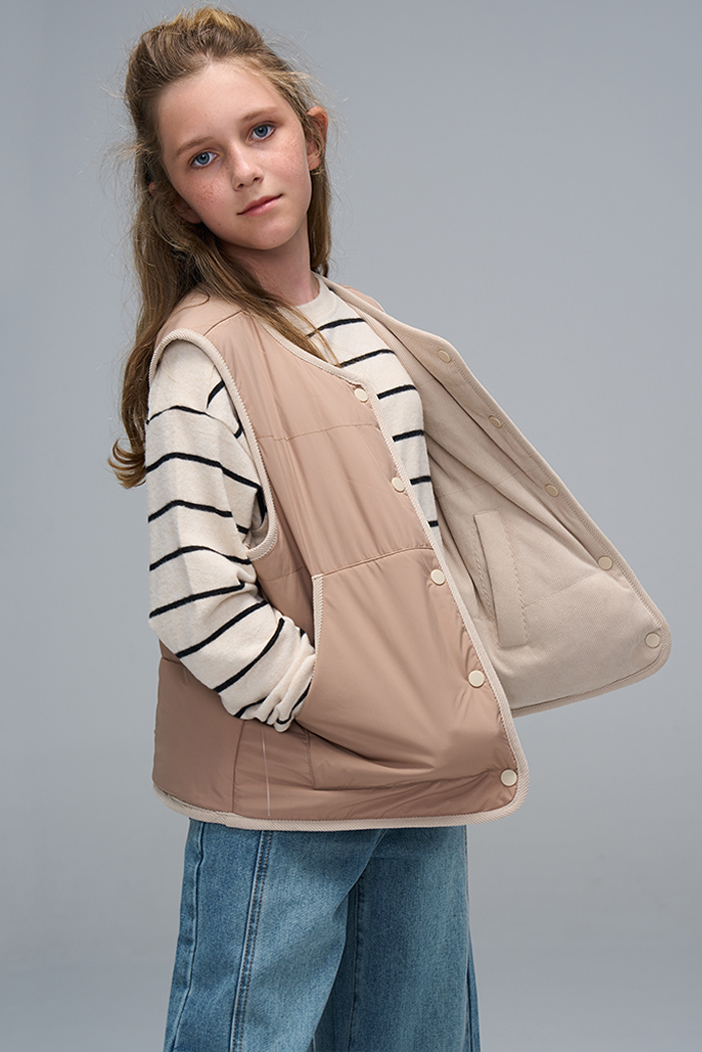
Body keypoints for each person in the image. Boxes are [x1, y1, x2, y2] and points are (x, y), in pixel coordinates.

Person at [111, 8, 670, 1051]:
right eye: (204, 156)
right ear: (176, 197)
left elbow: (420, 545)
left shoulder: (364, 330)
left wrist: (431, 700)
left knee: (417, 1033)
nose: (245, 169)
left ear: (312, 137)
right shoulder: (201, 358)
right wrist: (337, 698)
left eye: (261, 131)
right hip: (289, 785)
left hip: (416, 773)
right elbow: (196, 599)